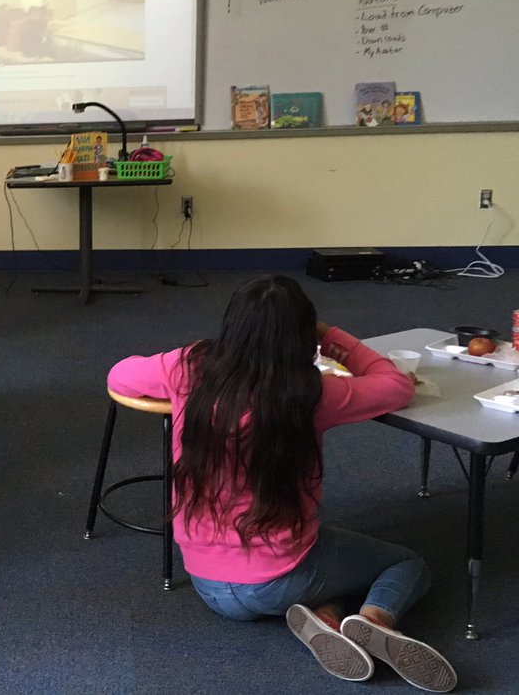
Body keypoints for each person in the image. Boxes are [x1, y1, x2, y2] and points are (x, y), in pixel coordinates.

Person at [106, 275, 456, 692]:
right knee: (407, 564)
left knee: (329, 562)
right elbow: (396, 385)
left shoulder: (190, 366)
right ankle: (374, 619)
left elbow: (120, 375)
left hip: (205, 580)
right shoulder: (311, 393)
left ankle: (324, 617)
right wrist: (331, 337)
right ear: (302, 337)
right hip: (279, 576)